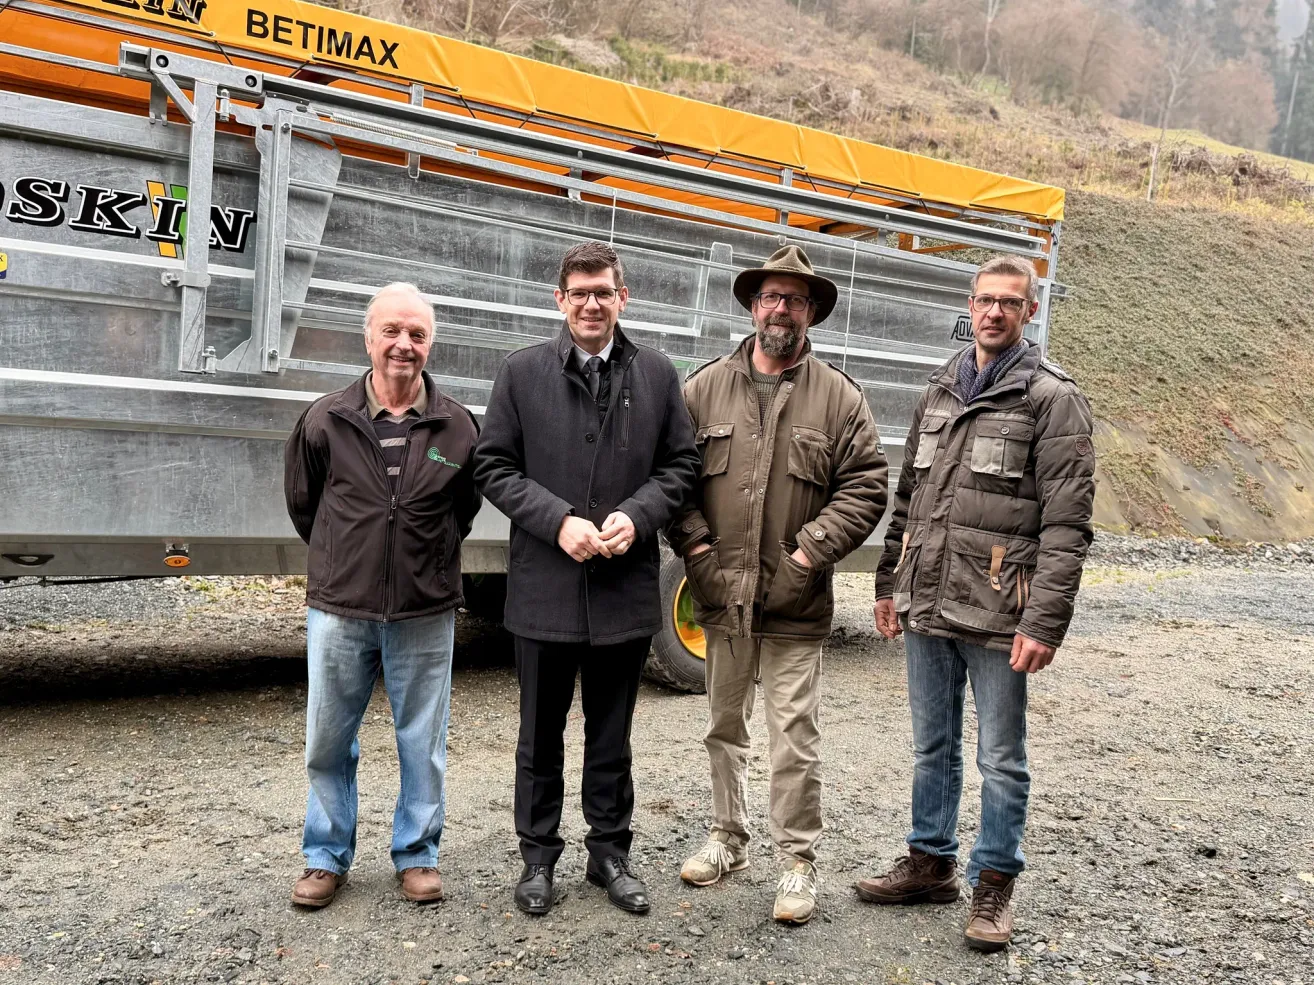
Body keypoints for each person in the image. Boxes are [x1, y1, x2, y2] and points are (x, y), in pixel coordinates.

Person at [859, 255, 1096, 951]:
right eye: (985, 300)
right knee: (932, 743)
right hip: (928, 600)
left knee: (1001, 755)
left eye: (1009, 303)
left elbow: (1067, 525)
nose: (994, 312)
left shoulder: (1052, 398)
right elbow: (909, 496)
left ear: (1030, 311)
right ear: (970, 305)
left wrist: (1044, 620)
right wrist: (888, 583)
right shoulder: (941, 387)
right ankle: (930, 862)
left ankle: (994, 882)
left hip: (1000, 611)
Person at [473, 241, 699, 917]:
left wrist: (639, 514)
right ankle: (537, 857)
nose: (592, 304)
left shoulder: (656, 374)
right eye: (579, 292)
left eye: (603, 291)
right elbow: (492, 465)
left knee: (611, 737)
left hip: (623, 589)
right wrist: (558, 521)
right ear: (560, 299)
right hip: (545, 587)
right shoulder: (521, 372)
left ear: (622, 298)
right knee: (539, 737)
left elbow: (681, 466)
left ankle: (609, 853)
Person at [667, 244, 889, 925]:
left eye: (794, 299)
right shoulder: (702, 389)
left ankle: (797, 860)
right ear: (753, 306)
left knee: (794, 736)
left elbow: (866, 485)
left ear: (810, 311)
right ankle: (727, 838)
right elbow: (670, 477)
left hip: (796, 600)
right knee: (723, 726)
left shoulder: (840, 397)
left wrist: (806, 557)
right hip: (720, 595)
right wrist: (696, 547)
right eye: (771, 296)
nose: (781, 309)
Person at [282, 282, 482, 909]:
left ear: (430, 344)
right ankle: (324, 856)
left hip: (424, 609)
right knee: (327, 739)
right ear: (368, 338)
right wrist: (351, 556)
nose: (403, 344)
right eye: (391, 331)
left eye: (417, 334)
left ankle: (417, 853)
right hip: (340, 607)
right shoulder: (326, 419)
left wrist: (420, 558)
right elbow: (305, 505)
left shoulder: (457, 425)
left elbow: (463, 510)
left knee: (422, 740)